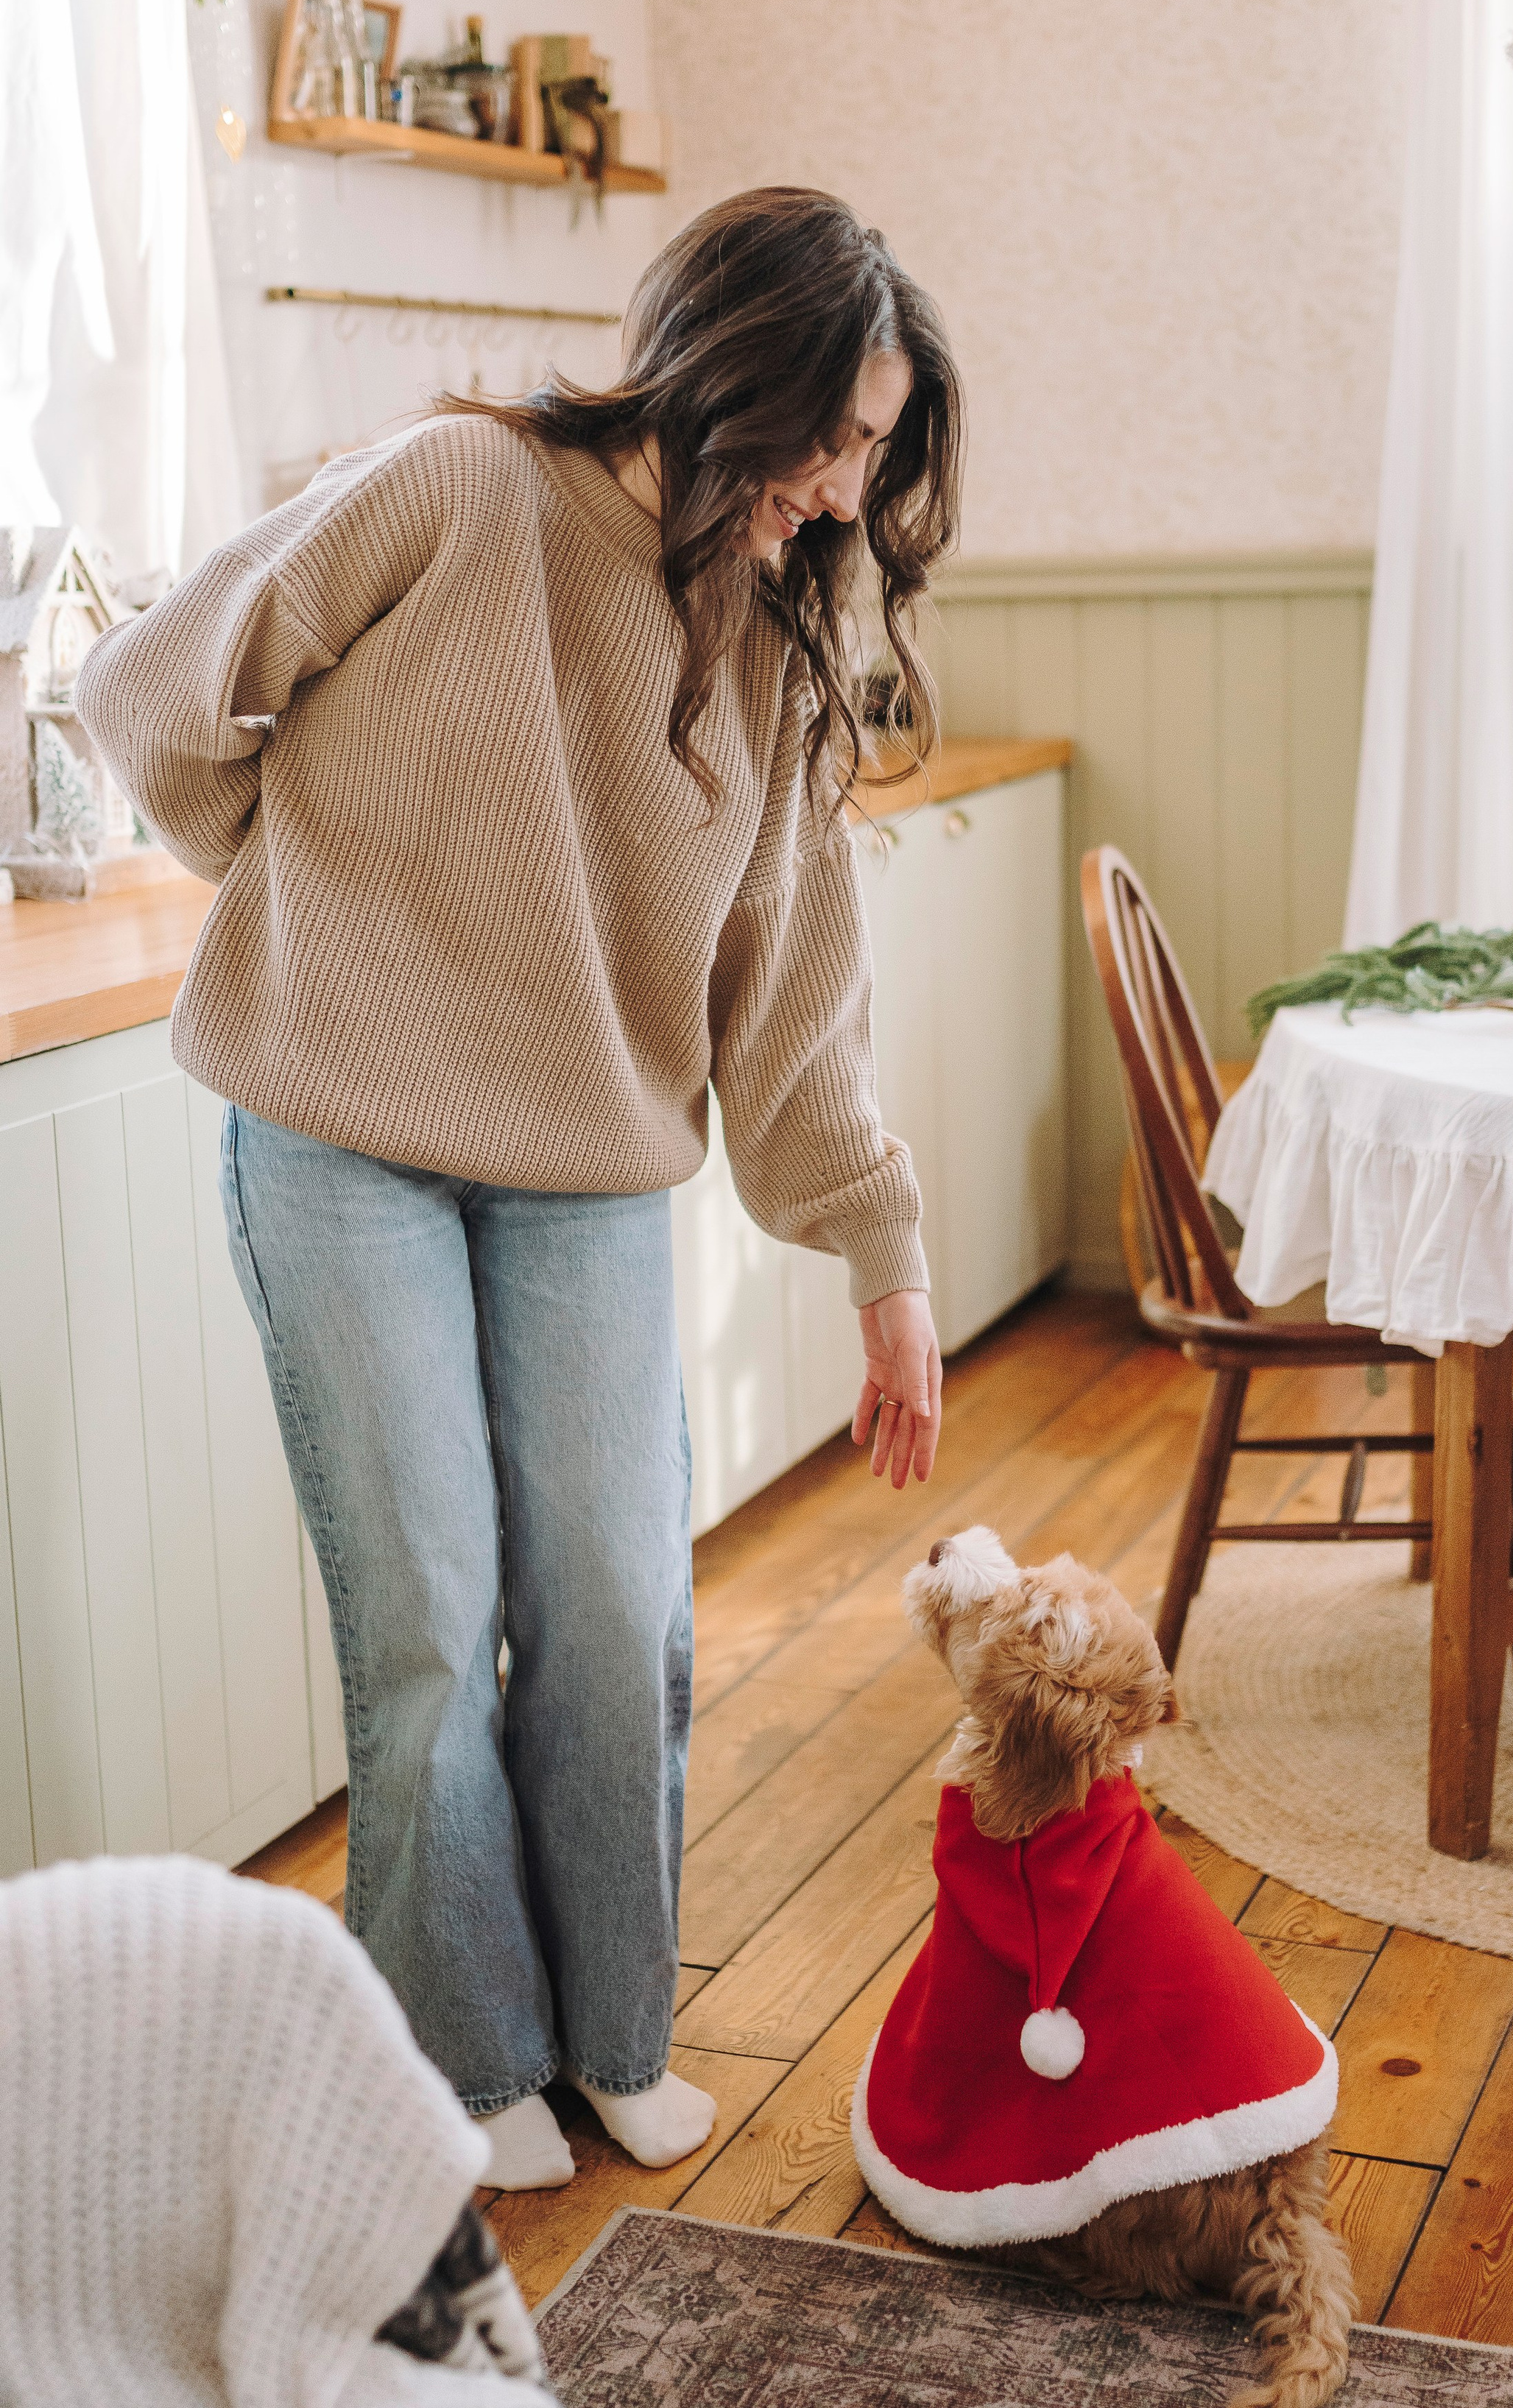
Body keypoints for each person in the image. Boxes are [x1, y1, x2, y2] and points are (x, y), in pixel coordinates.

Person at [76, 186, 962, 2192]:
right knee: (428, 1622)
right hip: (338, 1147)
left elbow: (791, 1002)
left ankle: (608, 2035)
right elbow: (155, 688)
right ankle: (464, 2060)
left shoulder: (774, 632)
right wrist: (283, 867)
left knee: (619, 1611)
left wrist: (884, 1260)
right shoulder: (461, 487)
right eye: (835, 437)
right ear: (732, 372)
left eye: (876, 454)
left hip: (585, 1173)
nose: (845, 492)